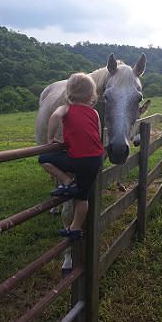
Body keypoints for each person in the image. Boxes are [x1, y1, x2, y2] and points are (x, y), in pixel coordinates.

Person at [39, 72, 104, 240]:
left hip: (78, 159)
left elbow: (54, 117)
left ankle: (67, 182)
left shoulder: (66, 108)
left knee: (44, 159)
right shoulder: (94, 113)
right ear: (92, 95)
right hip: (95, 160)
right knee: (83, 198)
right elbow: (97, 132)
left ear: (69, 93)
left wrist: (51, 138)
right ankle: (75, 228)